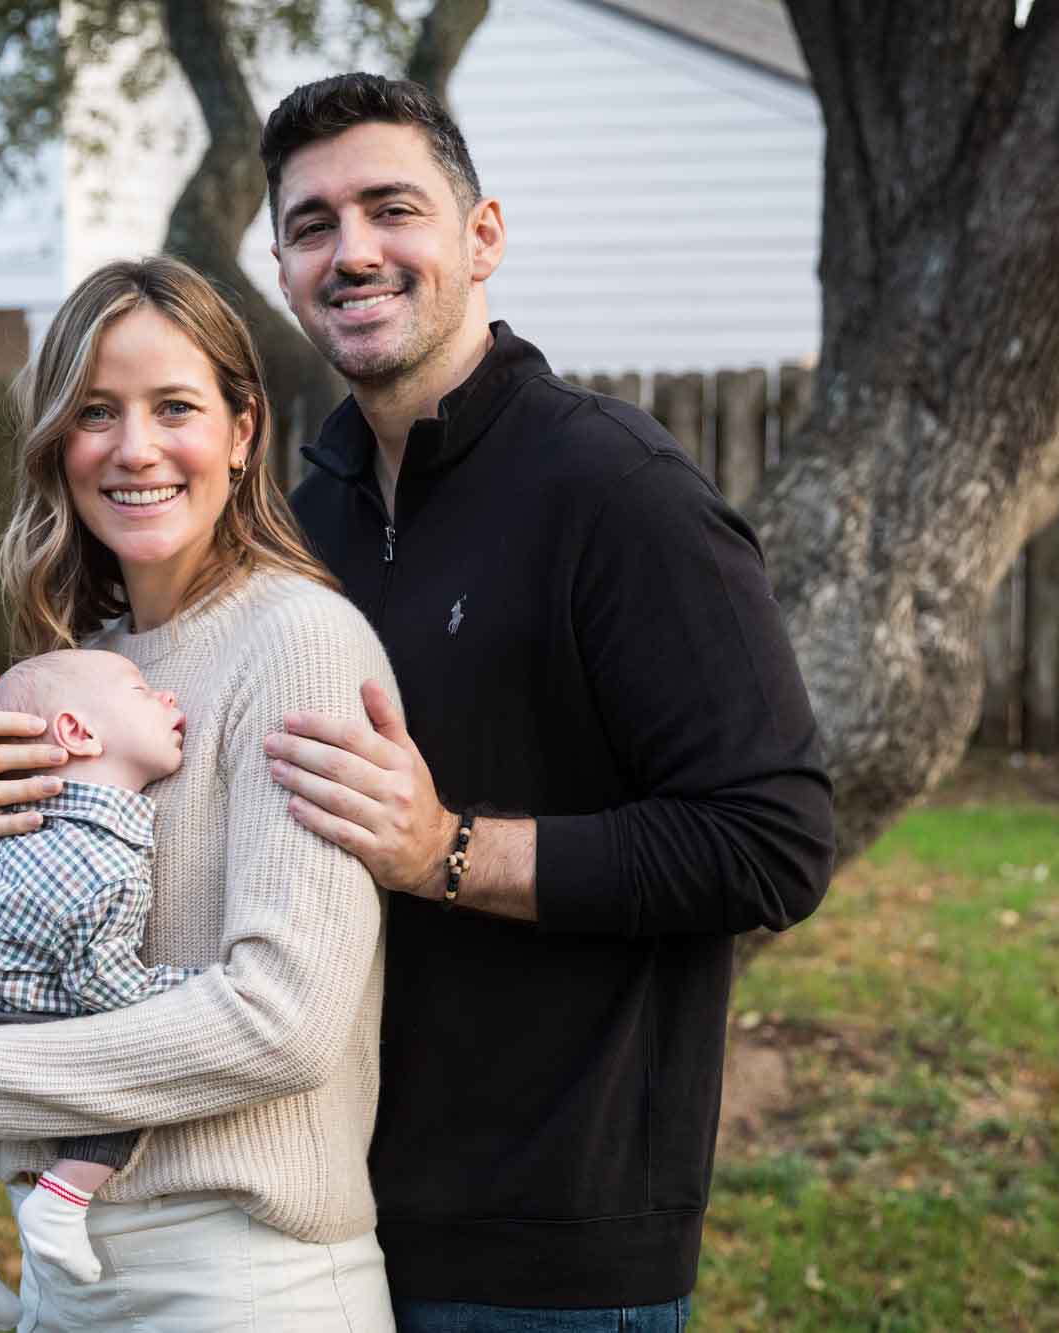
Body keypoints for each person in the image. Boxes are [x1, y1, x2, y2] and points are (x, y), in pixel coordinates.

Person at [253, 75, 837, 1330]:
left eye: (389, 208)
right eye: (311, 225)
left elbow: (772, 842)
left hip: (552, 1255)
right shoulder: (310, 523)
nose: (350, 251)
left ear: (481, 237)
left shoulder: (613, 491)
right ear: (282, 267)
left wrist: (445, 850)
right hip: (328, 1227)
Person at [0, 256, 401, 1331]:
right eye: (95, 412)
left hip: (237, 1276)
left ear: (242, 429)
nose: (134, 448)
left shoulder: (297, 644)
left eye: (174, 407)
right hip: (67, 1274)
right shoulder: (83, 668)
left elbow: (284, 1019)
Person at [0, 649, 193, 1327]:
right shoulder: (107, 852)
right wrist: (184, 984)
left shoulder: (20, 824)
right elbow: (103, 975)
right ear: (78, 733)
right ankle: (60, 1203)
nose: (169, 698)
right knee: (122, 1089)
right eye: (143, 690)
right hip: (26, 1009)